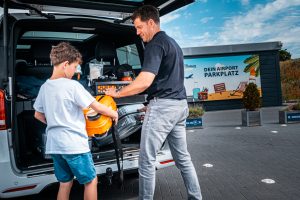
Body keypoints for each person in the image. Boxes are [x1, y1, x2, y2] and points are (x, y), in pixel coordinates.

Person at [105, 5, 202, 200]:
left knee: (146, 160)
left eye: (139, 27)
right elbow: (168, 80)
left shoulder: (155, 45)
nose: (138, 32)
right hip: (179, 106)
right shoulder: (173, 43)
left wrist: (117, 93)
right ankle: (196, 197)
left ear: (151, 23)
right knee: (183, 158)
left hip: (164, 108)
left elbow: (144, 81)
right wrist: (152, 102)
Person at [33, 42, 118, 200]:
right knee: (91, 181)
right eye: (74, 67)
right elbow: (97, 107)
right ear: (65, 65)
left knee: (65, 183)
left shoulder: (44, 87)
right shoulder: (73, 86)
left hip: (55, 146)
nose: (74, 72)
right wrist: (113, 113)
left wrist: (56, 122)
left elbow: (38, 115)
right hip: (73, 145)